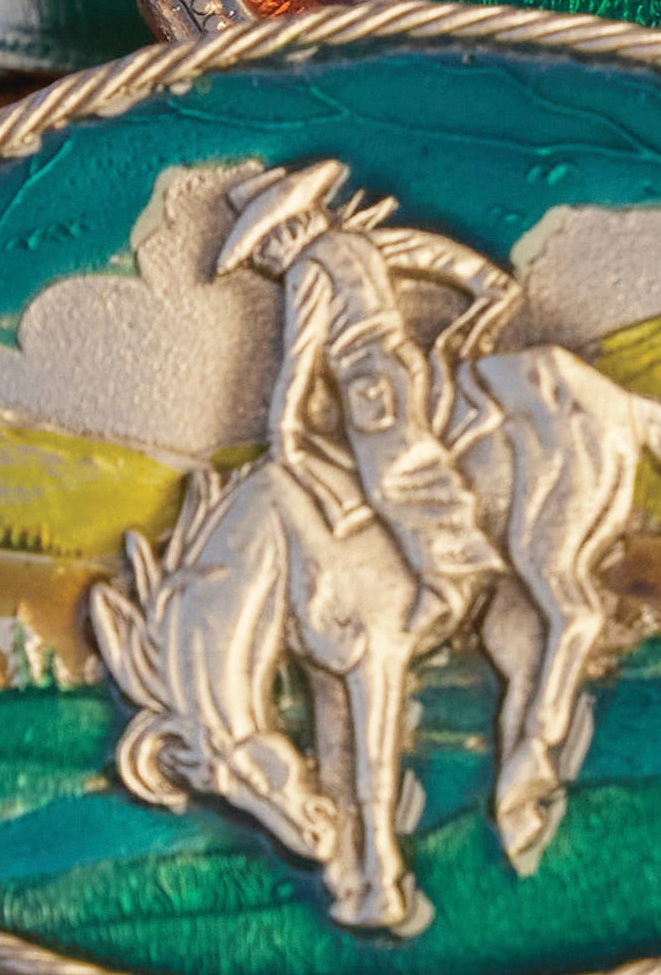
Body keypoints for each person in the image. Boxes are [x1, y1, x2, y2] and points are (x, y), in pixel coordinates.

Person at [216, 158, 513, 627]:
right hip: (401, 360)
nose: (262, 260)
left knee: (395, 476)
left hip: (367, 382)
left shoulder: (307, 270)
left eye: (260, 247)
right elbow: (432, 254)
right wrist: (488, 282)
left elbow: (301, 351)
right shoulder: (360, 243)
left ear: (284, 232)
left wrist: (283, 423)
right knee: (409, 459)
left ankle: (449, 580)